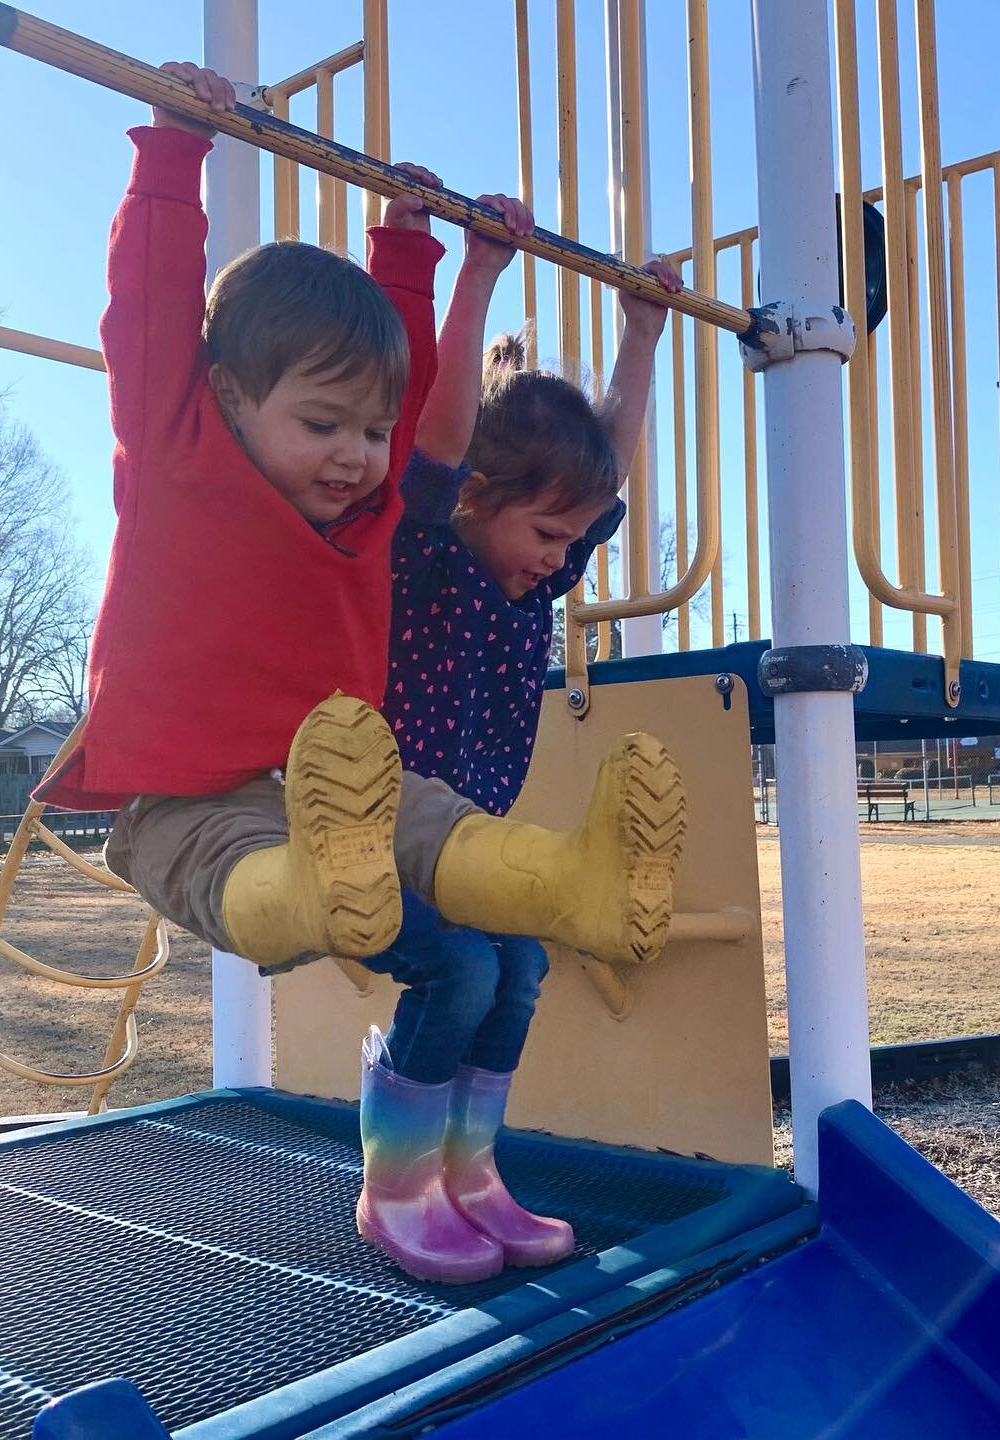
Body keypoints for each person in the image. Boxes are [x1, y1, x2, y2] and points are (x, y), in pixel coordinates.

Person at [37, 64, 688, 1275]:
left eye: (372, 434)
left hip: (351, 781)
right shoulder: (193, 464)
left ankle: (573, 902)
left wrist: (408, 241)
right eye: (323, 428)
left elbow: (417, 409)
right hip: (194, 799)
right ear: (229, 399)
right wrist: (175, 148)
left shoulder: (375, 512)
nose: (355, 459)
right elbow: (149, 313)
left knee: (492, 915)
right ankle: (395, 1172)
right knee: (395, 928)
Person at [351, 196, 684, 1283]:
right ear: (480, 499)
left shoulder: (525, 577)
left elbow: (608, 477)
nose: (561, 557)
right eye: (548, 532)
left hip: (473, 845)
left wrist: (642, 337)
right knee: (455, 970)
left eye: (573, 539)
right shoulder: (434, 556)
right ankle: (394, 1189)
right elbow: (440, 443)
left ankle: (469, 1172)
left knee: (519, 965)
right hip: (382, 839)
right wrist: (478, 273)